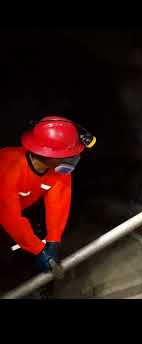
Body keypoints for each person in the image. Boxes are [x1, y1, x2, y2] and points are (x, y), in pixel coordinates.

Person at [0, 116, 95, 297]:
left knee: (38, 236)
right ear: (48, 154)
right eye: (70, 155)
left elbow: (58, 204)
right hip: (4, 208)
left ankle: (41, 288)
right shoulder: (8, 168)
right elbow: (9, 217)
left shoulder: (59, 171)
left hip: (20, 205)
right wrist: (37, 249)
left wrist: (53, 241)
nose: (75, 159)